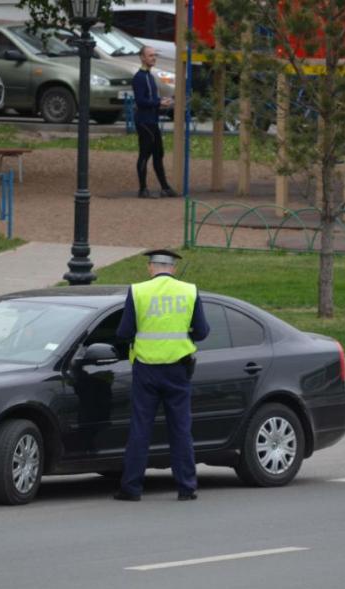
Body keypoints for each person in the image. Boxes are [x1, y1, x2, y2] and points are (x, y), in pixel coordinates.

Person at [114, 249, 209, 501]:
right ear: (173, 268)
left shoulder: (138, 291)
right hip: (178, 369)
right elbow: (202, 332)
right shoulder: (189, 291)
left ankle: (131, 488)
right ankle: (186, 488)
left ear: (150, 267)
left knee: (140, 428)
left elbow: (124, 332)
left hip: (146, 369)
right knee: (180, 429)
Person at [133, 46, 178, 199]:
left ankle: (165, 187)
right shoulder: (139, 77)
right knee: (145, 154)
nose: (153, 58)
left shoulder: (150, 76)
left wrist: (161, 101)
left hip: (152, 120)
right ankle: (142, 189)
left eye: (154, 55)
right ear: (142, 57)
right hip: (144, 122)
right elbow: (140, 101)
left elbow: (150, 98)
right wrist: (159, 103)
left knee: (159, 153)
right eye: (150, 55)